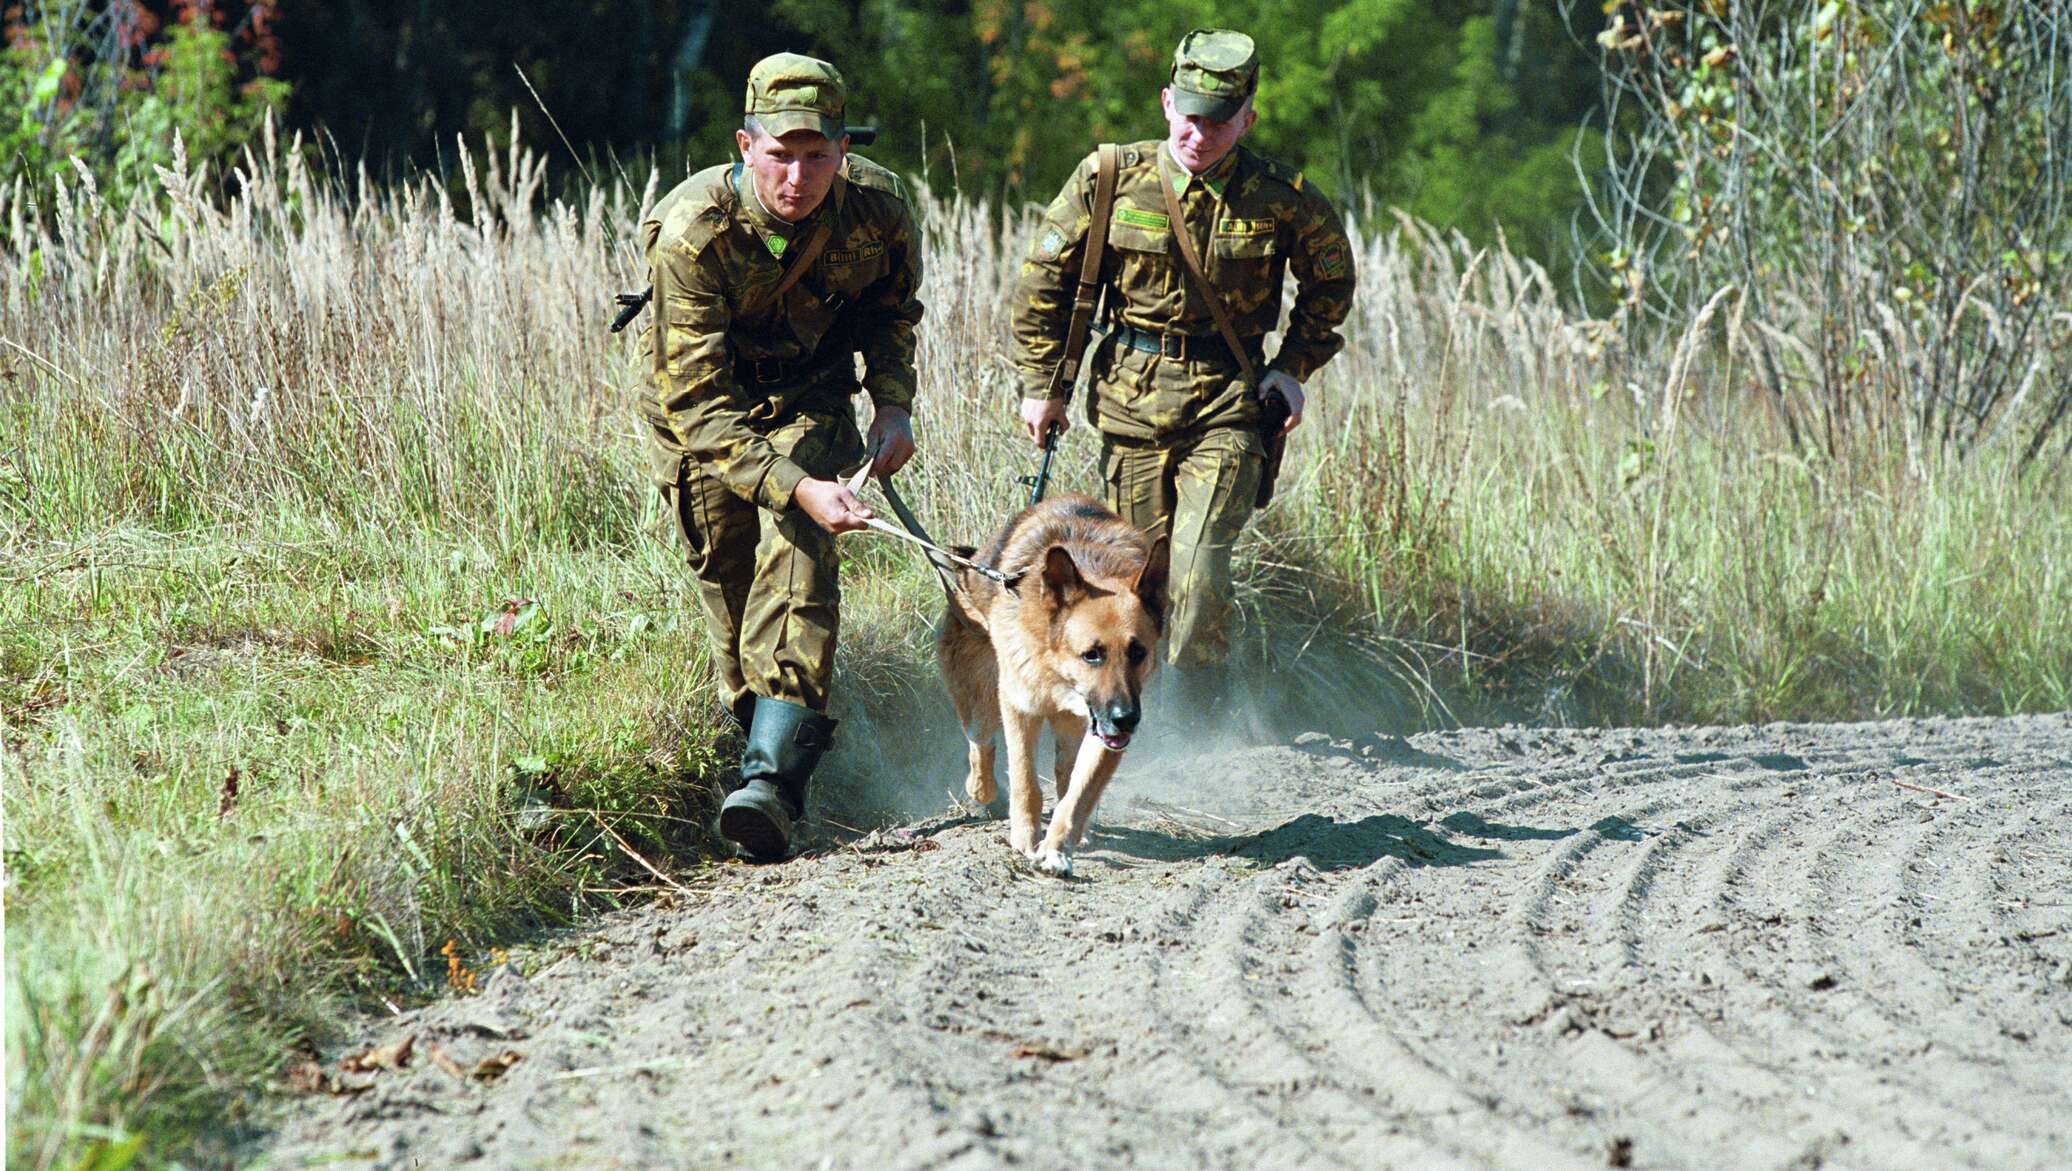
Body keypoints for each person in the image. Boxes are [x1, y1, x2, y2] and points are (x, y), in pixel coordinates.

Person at [1010, 28, 1356, 716]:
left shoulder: (1281, 197)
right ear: (1167, 103)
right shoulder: (1109, 177)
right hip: (1129, 405)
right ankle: (1131, 715)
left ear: (1247, 120)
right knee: (1136, 588)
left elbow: (1331, 281)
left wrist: (1292, 368)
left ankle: (1197, 726)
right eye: (1189, 116)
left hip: (1226, 407)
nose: (1200, 135)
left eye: (1219, 122)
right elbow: (1042, 282)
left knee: (1196, 571)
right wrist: (1042, 384)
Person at [637, 52, 922, 860]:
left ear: (842, 150)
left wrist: (892, 404)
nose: (797, 177)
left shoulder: (880, 211)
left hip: (811, 397)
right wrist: (796, 486)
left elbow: (892, 315)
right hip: (707, 410)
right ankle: (757, 741)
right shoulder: (693, 231)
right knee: (728, 577)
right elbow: (696, 400)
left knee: (798, 558)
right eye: (779, 155)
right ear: (745, 145)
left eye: (816, 156)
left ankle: (772, 789)